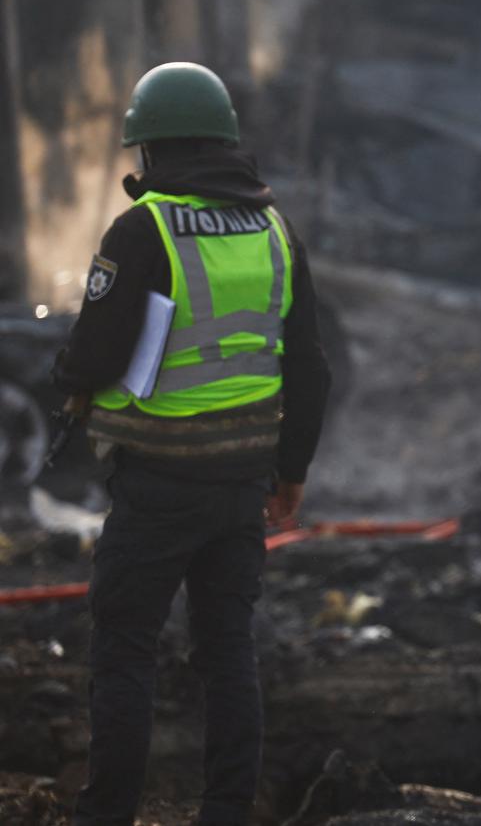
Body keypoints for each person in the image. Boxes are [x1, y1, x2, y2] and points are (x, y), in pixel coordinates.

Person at [52, 61, 331, 826]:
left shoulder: (143, 228)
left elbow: (96, 354)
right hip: (243, 481)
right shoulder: (275, 230)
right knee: (227, 649)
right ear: (224, 143)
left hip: (158, 483)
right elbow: (308, 363)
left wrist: (66, 374)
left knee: (126, 647)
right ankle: (227, 811)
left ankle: (105, 815)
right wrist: (292, 471)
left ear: (151, 151)